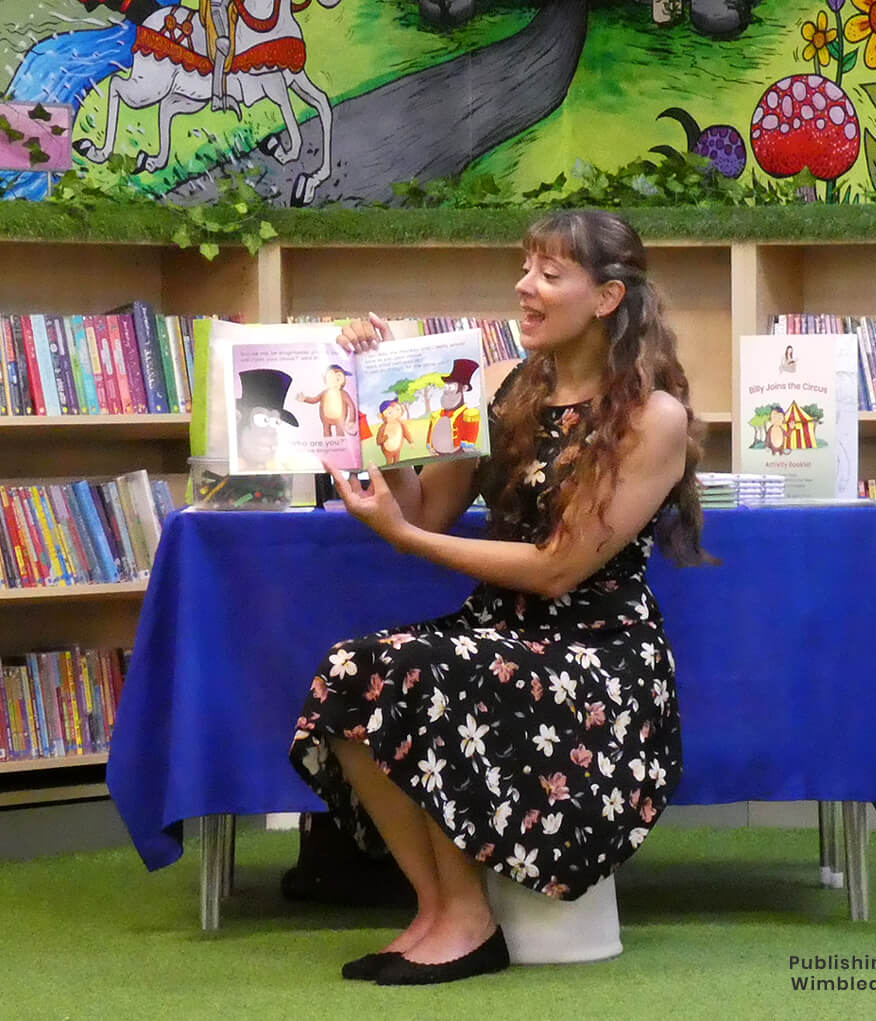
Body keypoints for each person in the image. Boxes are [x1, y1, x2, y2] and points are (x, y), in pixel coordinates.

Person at [288, 209, 707, 986]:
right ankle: (439, 909)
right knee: (351, 671)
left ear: (606, 297)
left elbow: (556, 569)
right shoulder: (502, 387)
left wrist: (403, 537)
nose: (524, 286)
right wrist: (382, 395)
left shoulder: (653, 417)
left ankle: (466, 920)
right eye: (524, 267)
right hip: (499, 631)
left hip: (597, 658)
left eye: (549, 273)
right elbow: (425, 511)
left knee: (429, 669)